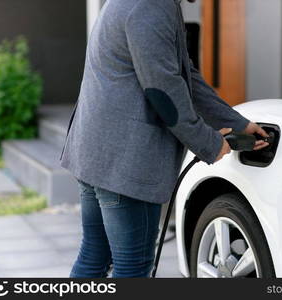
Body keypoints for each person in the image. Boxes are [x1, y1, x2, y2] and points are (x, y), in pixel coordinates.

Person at [60, 0, 269, 278]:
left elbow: (185, 76)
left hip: (96, 153)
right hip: (125, 164)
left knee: (94, 257)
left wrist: (236, 123)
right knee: (132, 267)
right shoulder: (149, 7)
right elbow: (164, 91)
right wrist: (209, 142)